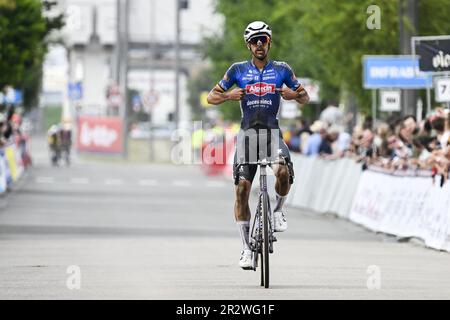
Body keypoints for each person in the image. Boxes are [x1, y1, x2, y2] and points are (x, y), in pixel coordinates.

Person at [206, 21, 309, 269]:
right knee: (242, 190)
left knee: (283, 171)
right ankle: (245, 249)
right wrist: (229, 95)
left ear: (269, 42)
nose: (259, 44)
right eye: (254, 41)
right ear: (248, 45)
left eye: (263, 39)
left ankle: (278, 210)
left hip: (271, 133)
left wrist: (294, 94)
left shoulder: (282, 69)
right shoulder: (237, 70)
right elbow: (211, 97)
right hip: (248, 135)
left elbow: (305, 97)